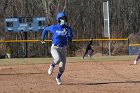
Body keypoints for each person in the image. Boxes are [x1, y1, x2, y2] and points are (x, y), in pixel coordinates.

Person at [41, 11, 73, 85]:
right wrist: (43, 38)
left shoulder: (68, 29)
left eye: (64, 18)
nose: (63, 20)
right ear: (58, 19)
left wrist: (68, 35)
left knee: (62, 66)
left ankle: (58, 78)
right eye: (61, 18)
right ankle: (51, 66)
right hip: (55, 47)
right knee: (57, 59)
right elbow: (45, 30)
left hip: (63, 48)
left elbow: (70, 40)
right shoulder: (54, 27)